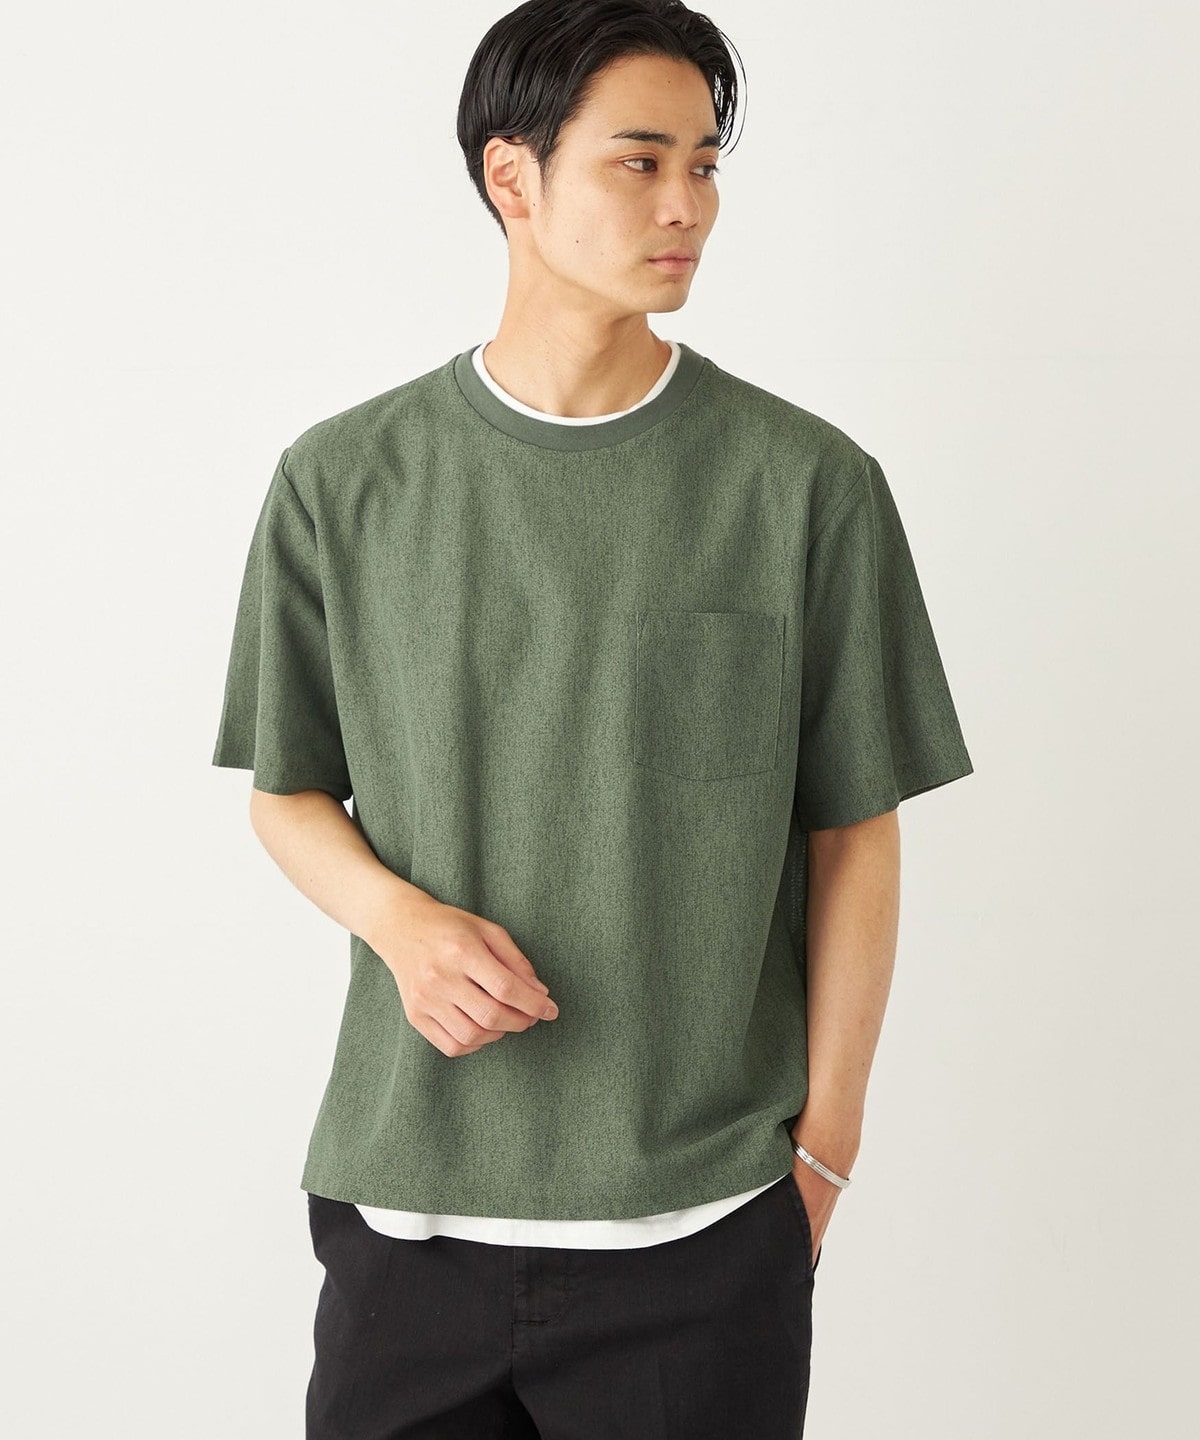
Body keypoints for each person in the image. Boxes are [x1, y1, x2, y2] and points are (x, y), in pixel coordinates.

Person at [210, 2, 974, 1435]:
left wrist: (825, 1151)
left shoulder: (807, 486)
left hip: (705, 1227)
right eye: (640, 161)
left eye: (706, 164)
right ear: (513, 176)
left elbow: (854, 832)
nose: (688, 205)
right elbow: (287, 787)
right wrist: (399, 922)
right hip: (405, 1220)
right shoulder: (343, 480)